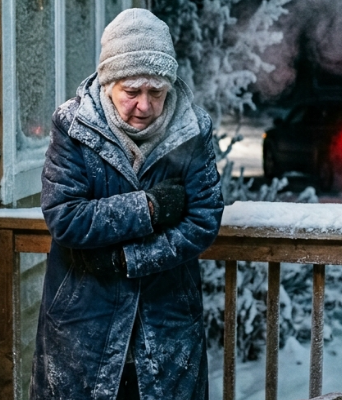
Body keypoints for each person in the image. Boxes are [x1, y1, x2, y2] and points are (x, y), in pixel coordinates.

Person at [32, 8, 224, 400]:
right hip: (85, 319)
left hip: (166, 320)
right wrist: (150, 207)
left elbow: (203, 219)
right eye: (132, 92)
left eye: (156, 92)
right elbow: (65, 216)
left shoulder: (193, 129)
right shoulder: (73, 126)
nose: (145, 106)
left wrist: (128, 259)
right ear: (108, 83)